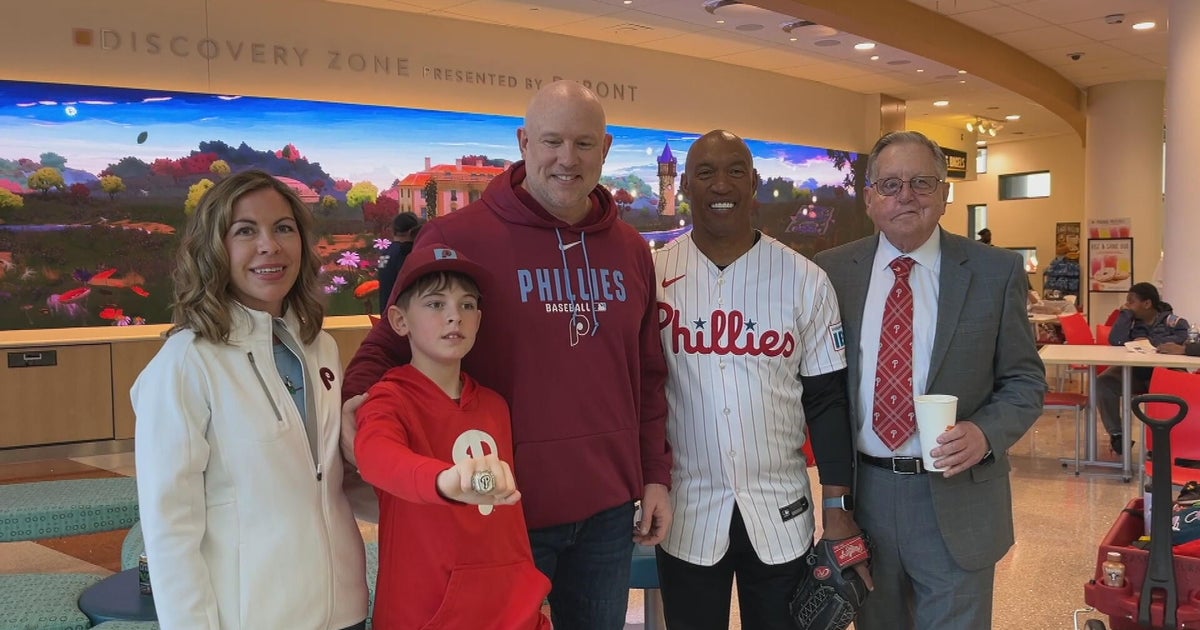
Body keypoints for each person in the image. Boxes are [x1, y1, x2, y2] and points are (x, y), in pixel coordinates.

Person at [342, 80, 672, 630]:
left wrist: (655, 474)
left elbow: (648, 375)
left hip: (607, 514)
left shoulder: (632, 250)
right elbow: (390, 340)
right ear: (523, 142)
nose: (567, 159)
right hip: (500, 510)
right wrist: (360, 401)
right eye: (552, 141)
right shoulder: (459, 236)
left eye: (584, 144)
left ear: (607, 148)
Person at [814, 130, 1045, 630]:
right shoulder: (832, 273)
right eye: (891, 183)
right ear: (869, 196)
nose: (906, 196)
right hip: (867, 496)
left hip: (957, 494)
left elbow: (1025, 379)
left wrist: (986, 433)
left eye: (922, 182)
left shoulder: (994, 271)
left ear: (944, 194)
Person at [132, 170, 369, 629]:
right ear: (214, 248)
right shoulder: (186, 362)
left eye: (283, 228)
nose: (270, 246)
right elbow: (170, 527)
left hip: (344, 605)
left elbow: (325, 481)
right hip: (254, 613)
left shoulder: (319, 347)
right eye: (245, 231)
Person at [654, 130, 870, 629]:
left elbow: (826, 401)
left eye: (734, 171)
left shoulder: (803, 278)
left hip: (781, 510)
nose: (720, 184)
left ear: (753, 183)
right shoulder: (654, 274)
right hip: (686, 509)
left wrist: (837, 506)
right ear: (685, 184)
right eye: (705, 173)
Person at [355, 243, 551, 629]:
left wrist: (529, 592)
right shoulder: (389, 398)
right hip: (425, 610)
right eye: (434, 304)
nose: (454, 318)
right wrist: (443, 480)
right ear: (399, 320)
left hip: (509, 611)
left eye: (466, 305)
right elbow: (375, 455)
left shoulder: (494, 405)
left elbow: (507, 519)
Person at [1099, 282, 1189, 453]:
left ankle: (1162, 444)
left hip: (1164, 373)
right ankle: (1117, 435)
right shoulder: (1131, 321)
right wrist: (1125, 314)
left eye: (1131, 302)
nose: (1127, 305)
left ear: (1147, 303)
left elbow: (1183, 339)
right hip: (1136, 372)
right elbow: (1116, 341)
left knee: (1165, 394)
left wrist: (1150, 343)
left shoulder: (1173, 322)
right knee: (1103, 382)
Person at [377, 211, 422, 316]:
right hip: (404, 316)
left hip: (387, 313)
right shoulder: (407, 253)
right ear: (413, 232)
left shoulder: (385, 253)